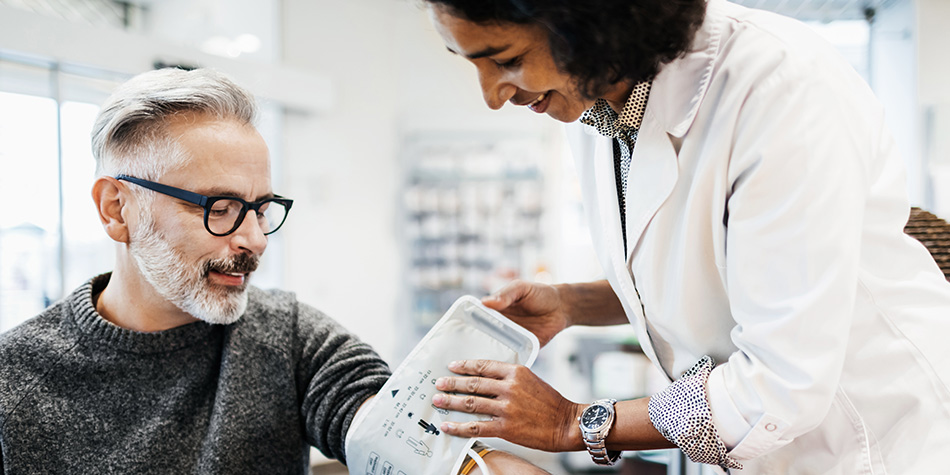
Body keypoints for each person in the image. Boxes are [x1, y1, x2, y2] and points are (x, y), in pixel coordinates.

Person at [422, 0, 950, 473]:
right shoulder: (592, 106)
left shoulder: (780, 87)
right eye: (470, 63)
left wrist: (574, 423)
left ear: (587, 21)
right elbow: (705, 272)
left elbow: (781, 383)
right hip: (761, 450)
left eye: (508, 60)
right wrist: (571, 304)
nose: (493, 96)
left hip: (878, 445)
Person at [0, 68, 543, 475]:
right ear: (117, 209)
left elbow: (407, 441)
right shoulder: (13, 379)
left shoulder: (287, 337)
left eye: (261, 207)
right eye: (219, 207)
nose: (255, 239)